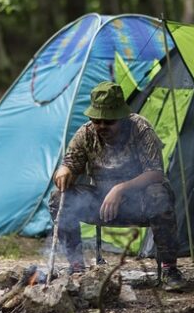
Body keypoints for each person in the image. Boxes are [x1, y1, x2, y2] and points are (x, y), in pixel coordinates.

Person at [49, 81, 184, 291]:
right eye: (97, 120)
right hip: (101, 204)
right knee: (59, 197)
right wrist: (64, 170)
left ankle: (169, 269)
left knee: (159, 195)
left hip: (140, 202)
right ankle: (76, 267)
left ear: (121, 117)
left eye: (109, 121)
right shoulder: (86, 133)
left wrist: (120, 188)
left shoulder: (140, 129)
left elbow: (156, 173)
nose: (102, 126)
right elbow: (70, 163)